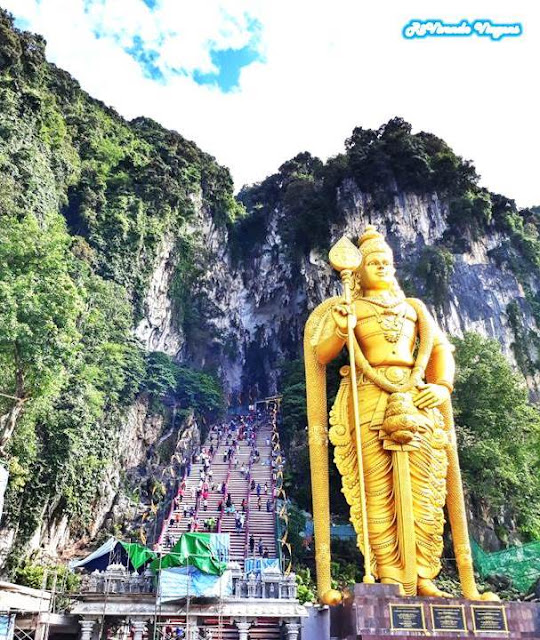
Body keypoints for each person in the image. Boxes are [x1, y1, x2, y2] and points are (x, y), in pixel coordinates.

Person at [305, 225, 496, 604]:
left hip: (415, 399)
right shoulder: (351, 307)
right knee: (376, 492)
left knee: (424, 490)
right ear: (357, 272)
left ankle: (425, 574)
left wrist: (441, 385)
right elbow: (320, 354)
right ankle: (389, 573)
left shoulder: (415, 309)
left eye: (386, 262)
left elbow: (440, 349)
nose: (381, 267)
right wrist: (341, 331)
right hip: (367, 399)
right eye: (373, 262)